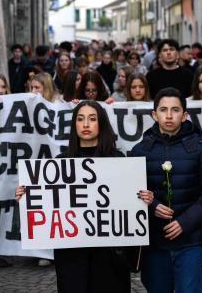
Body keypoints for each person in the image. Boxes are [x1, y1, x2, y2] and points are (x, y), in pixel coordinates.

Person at [15, 101, 135, 292]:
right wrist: (27, 196)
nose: (85, 124)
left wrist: (142, 198)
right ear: (74, 125)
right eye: (80, 119)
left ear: (101, 124)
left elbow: (129, 205)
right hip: (71, 254)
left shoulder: (118, 160)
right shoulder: (60, 163)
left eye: (92, 119)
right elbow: (49, 205)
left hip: (109, 254)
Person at [131, 87, 202, 292]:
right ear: (154, 114)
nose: (169, 115)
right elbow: (130, 193)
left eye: (175, 110)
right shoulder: (139, 151)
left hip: (190, 242)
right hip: (154, 243)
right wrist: (152, 205)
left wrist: (184, 222)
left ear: (185, 115)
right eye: (163, 110)